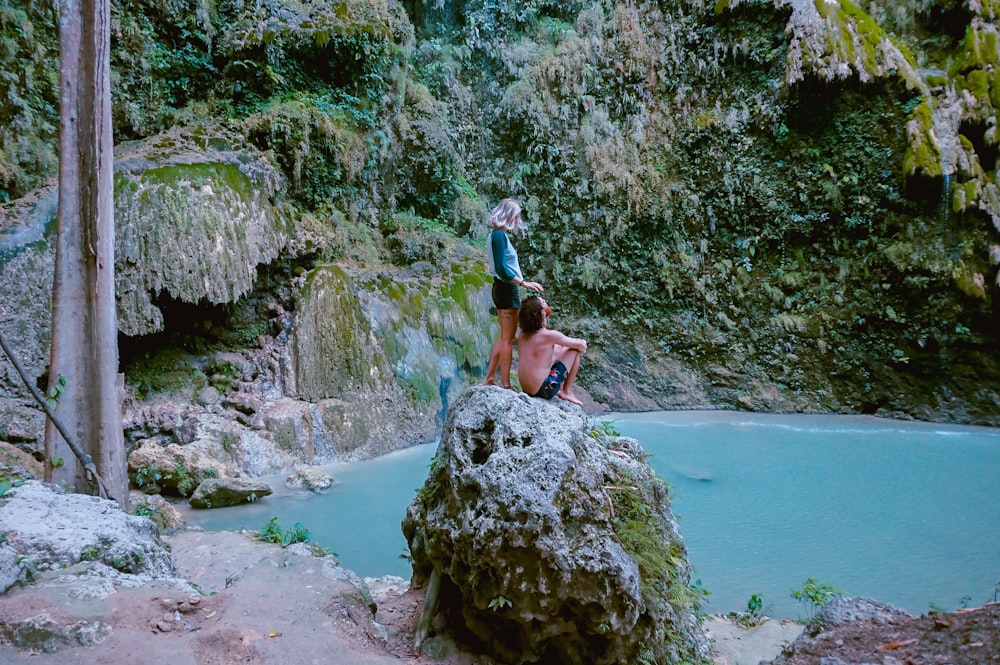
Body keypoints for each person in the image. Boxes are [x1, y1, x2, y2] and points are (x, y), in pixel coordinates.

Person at [483, 198, 542, 388]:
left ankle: (490, 377)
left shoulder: (497, 235)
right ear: (509, 216)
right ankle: (505, 383)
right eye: (516, 216)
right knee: (508, 340)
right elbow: (501, 268)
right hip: (507, 289)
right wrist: (524, 283)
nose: (518, 220)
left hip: (502, 288)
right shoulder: (499, 236)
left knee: (504, 338)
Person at [516, 295, 586, 406]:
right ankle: (567, 391)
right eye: (543, 302)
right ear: (541, 312)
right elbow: (581, 345)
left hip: (527, 389)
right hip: (544, 390)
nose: (545, 300)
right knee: (574, 350)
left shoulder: (522, 334)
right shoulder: (549, 336)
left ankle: (562, 389)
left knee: (559, 348)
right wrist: (581, 344)